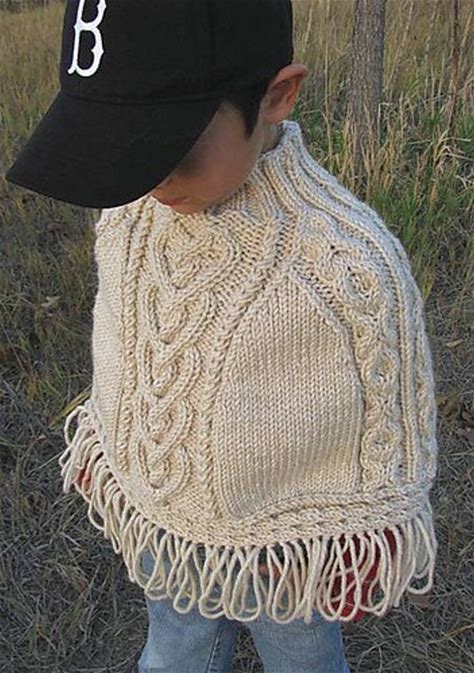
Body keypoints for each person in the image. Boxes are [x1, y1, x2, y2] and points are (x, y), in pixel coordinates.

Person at [5, 2, 439, 672]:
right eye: (124, 151)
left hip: (281, 550)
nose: (151, 179)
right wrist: (115, 439)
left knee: (300, 655)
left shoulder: (343, 262)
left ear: (277, 96)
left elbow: (385, 418)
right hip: (163, 525)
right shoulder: (130, 218)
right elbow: (126, 345)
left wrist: (353, 535)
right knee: (174, 642)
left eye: (171, 148)